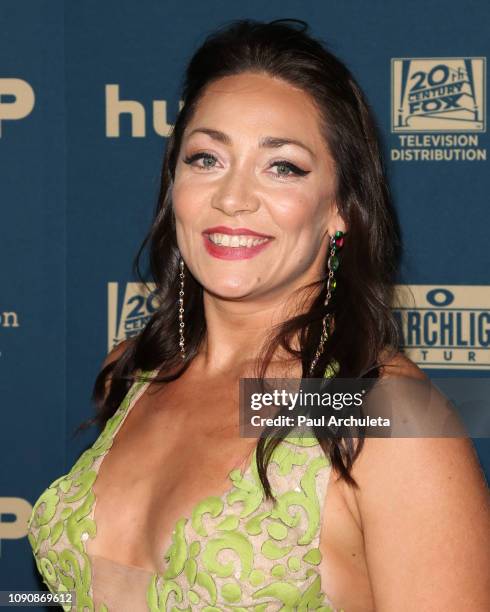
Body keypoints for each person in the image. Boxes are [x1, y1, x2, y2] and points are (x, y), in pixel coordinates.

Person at [27, 18, 490, 611]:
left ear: (341, 210)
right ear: (175, 187)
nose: (233, 197)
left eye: (283, 166)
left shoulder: (384, 413)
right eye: (206, 158)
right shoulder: (135, 370)